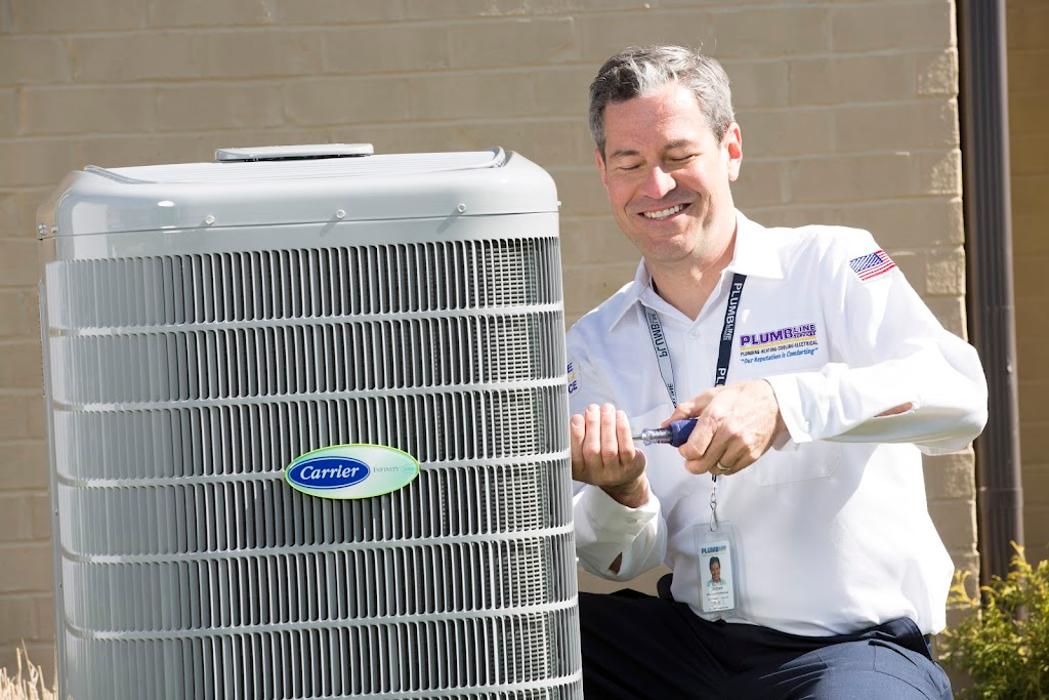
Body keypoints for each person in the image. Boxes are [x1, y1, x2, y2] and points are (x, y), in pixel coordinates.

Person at [567, 45, 987, 699]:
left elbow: (960, 398)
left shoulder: (833, 263)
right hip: (690, 646)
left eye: (678, 156)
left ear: (730, 149)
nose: (656, 187)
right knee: (499, 644)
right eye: (630, 164)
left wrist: (784, 404)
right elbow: (618, 559)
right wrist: (622, 492)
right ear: (603, 172)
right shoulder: (593, 343)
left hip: (848, 653)